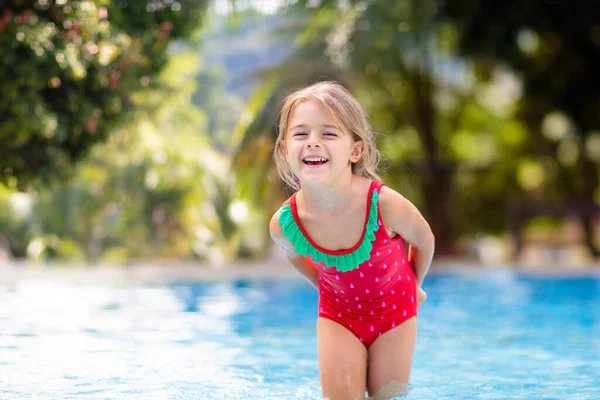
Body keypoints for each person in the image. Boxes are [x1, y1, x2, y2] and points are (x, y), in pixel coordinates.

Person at [269, 81, 435, 400]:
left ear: (355, 150)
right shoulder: (285, 225)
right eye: (301, 134)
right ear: (283, 149)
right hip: (339, 315)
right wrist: (328, 290)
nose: (313, 142)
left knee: (388, 397)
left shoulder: (384, 205)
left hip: (395, 312)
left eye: (329, 134)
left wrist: (414, 285)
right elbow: (294, 257)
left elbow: (424, 240)